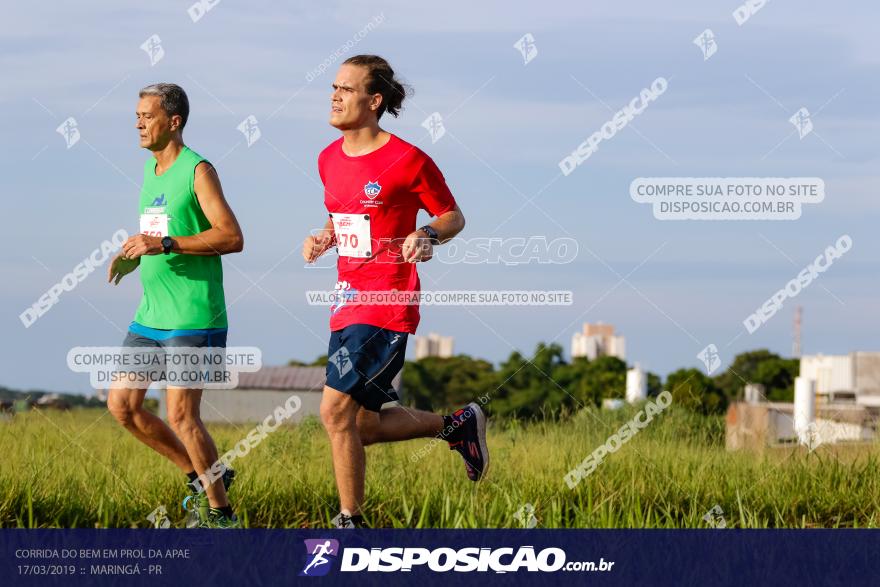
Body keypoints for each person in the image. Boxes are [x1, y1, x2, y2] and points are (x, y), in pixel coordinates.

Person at [302, 55, 489, 529]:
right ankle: (458, 424)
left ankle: (350, 522)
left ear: (374, 100)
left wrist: (427, 235)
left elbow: (453, 216)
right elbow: (342, 216)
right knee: (361, 427)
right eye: (334, 86)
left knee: (334, 412)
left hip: (387, 299)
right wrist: (324, 236)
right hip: (345, 302)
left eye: (346, 89)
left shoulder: (408, 159)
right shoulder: (326, 157)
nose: (334, 95)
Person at [106, 83, 244, 528]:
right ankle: (199, 475)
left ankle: (221, 514)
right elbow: (159, 235)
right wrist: (136, 256)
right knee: (123, 407)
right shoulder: (151, 170)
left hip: (193, 314)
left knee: (183, 416)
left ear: (174, 121)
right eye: (138, 115)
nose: (138, 123)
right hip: (150, 315)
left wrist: (163, 242)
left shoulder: (197, 170)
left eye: (147, 116)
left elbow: (231, 236)